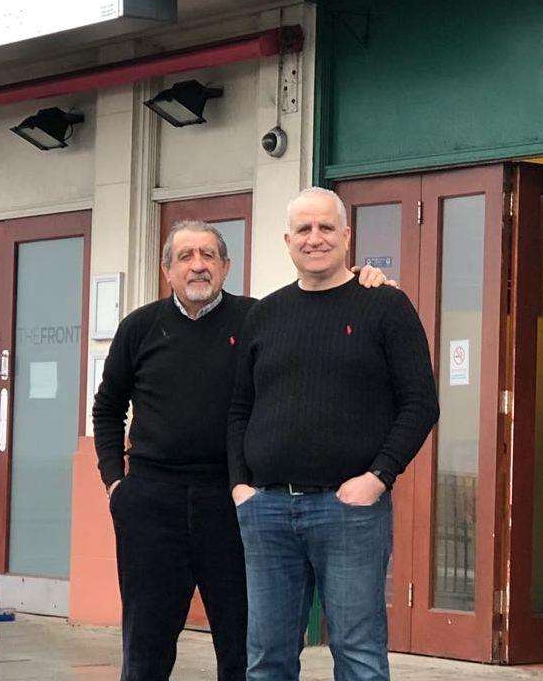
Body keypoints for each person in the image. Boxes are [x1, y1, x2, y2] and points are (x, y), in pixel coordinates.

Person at [93, 219, 390, 681]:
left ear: (226, 266)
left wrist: (367, 281)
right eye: (186, 257)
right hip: (152, 502)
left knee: (243, 645)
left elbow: (321, 305)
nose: (198, 266)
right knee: (145, 648)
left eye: (209, 256)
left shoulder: (257, 318)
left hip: (232, 501)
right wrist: (116, 483)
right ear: (166, 269)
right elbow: (107, 409)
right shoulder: (139, 328)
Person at [228, 187, 439, 681]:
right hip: (267, 510)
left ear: (347, 236)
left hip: (349, 511)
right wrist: (242, 486)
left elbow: (420, 403)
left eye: (326, 227)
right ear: (287, 240)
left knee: (358, 652)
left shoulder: (384, 305)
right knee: (265, 658)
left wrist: (378, 477)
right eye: (304, 229)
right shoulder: (265, 314)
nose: (315, 238)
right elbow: (239, 407)